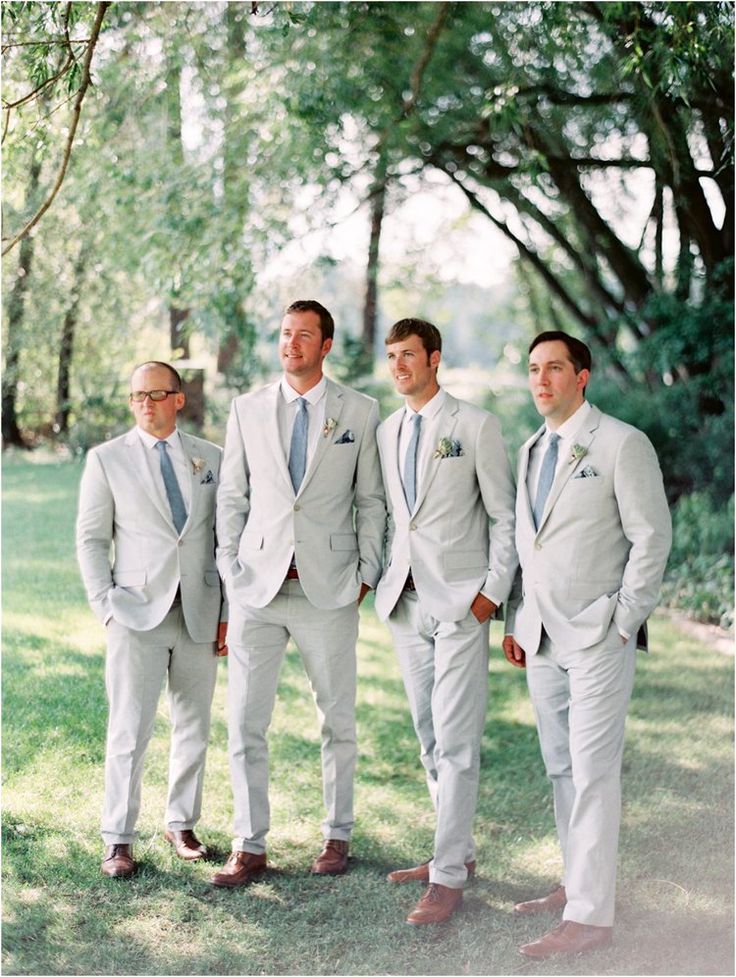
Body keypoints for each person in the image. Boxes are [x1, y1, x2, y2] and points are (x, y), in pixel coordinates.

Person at [503, 331, 671, 959]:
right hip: (541, 634)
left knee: (595, 773)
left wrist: (625, 620)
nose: (541, 380)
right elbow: (531, 546)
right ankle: (577, 883)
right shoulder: (528, 448)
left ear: (583, 376)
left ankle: (591, 919)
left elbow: (651, 538)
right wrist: (521, 620)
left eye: (554, 369)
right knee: (561, 767)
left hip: (601, 632)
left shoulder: (623, 443)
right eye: (533, 369)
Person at [212, 299, 385, 887]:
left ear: (325, 345)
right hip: (257, 589)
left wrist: (366, 570)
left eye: (304, 335)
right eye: (286, 334)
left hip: (329, 589)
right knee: (244, 722)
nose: (292, 344)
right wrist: (231, 569)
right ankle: (249, 843)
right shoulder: (247, 409)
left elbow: (371, 501)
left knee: (337, 719)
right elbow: (231, 496)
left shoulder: (359, 411)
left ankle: (337, 836)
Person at [374, 318, 517, 925]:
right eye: (392, 356)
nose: (399, 365)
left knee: (456, 741)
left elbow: (506, 517)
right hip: (405, 602)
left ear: (435, 358)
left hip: (461, 604)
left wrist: (490, 594)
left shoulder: (475, 426)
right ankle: (453, 852)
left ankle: (448, 877)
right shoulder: (385, 431)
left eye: (409, 355)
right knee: (429, 737)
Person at [76, 361, 227, 878]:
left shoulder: (211, 458)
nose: (146, 403)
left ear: (178, 400)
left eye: (157, 394)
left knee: (194, 726)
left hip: (199, 611)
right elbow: (92, 540)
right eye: (137, 395)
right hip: (135, 613)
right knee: (129, 729)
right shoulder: (106, 459)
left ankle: (181, 823)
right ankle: (118, 838)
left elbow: (221, 541)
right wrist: (106, 606)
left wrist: (225, 612)